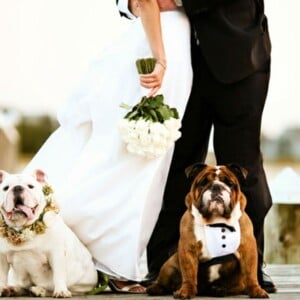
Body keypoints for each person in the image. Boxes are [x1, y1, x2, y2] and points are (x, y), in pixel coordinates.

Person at [24, 0, 192, 294]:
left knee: (135, 156)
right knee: (133, 159)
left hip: (164, 39)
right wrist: (160, 59)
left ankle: (84, 251)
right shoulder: (161, 45)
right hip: (160, 45)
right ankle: (104, 259)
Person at [118, 0, 276, 293]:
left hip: (239, 57)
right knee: (176, 163)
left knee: (244, 163)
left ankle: (252, 263)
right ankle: (166, 261)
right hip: (177, 62)